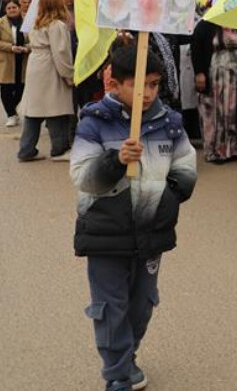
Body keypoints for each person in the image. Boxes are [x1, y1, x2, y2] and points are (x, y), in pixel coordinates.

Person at [70, 45, 197, 391]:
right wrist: (115, 161)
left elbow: (186, 168)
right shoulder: (94, 122)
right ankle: (117, 375)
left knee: (141, 304)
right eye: (139, 85)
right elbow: (83, 177)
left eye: (154, 85)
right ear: (115, 85)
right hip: (105, 234)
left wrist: (168, 199)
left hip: (151, 231)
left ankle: (127, 357)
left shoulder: (170, 123)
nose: (149, 93)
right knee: (111, 308)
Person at [18, 0, 75, 162]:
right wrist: (69, 74)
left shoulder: (36, 24)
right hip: (50, 66)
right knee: (56, 108)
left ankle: (26, 149)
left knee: (34, 110)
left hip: (36, 64)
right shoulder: (57, 25)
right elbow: (61, 52)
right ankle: (59, 149)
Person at [190, 18, 237, 163]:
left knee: (235, 111)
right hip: (216, 76)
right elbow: (196, 47)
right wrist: (199, 72)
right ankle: (217, 150)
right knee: (217, 113)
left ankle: (235, 148)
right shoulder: (205, 25)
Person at [0, 0, 29, 126]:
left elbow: (35, 39)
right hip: (5, 60)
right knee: (6, 89)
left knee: (21, 88)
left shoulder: (28, 22)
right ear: (5, 10)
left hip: (23, 60)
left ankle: (13, 109)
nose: (12, 10)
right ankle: (11, 115)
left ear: (19, 8)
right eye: (9, 8)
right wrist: (10, 47)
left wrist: (27, 48)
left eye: (14, 7)